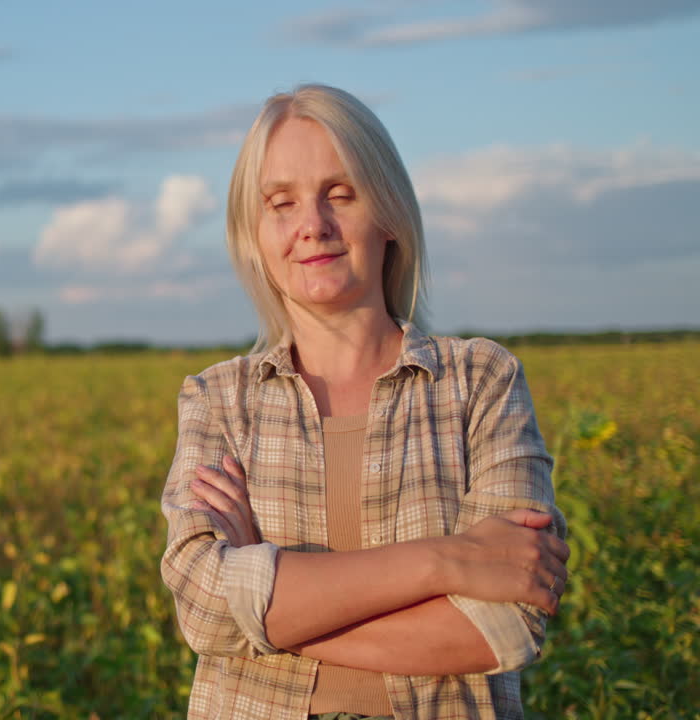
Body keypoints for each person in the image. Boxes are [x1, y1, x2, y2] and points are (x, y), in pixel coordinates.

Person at [160, 85, 569, 720]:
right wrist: (449, 560)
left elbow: (506, 624)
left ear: (389, 213)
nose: (312, 225)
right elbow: (203, 610)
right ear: (255, 236)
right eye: (281, 202)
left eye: (340, 193)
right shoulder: (218, 400)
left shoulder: (481, 380)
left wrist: (264, 612)